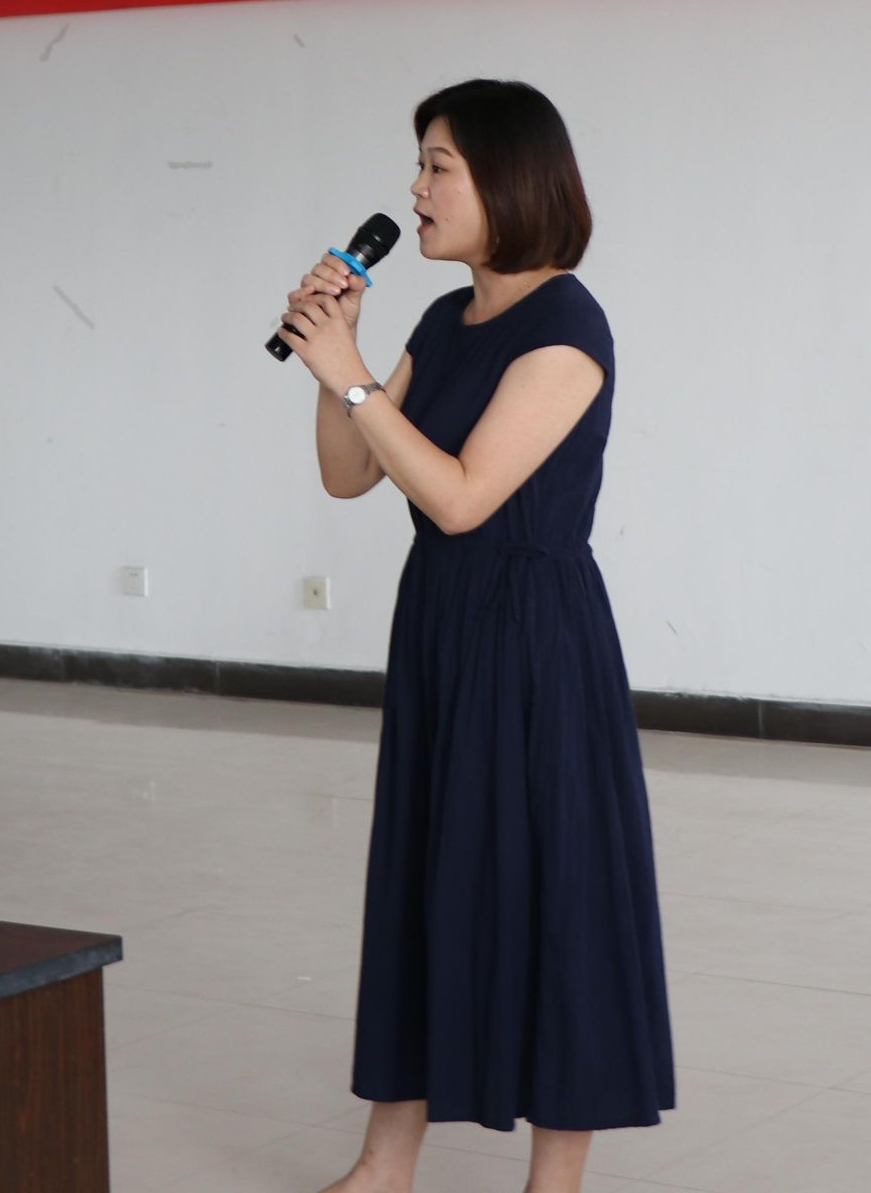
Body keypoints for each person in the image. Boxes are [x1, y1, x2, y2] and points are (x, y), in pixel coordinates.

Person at [275, 79, 673, 1193]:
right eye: (420, 164)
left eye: (438, 166)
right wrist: (339, 357)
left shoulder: (568, 327)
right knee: (425, 880)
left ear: (508, 178)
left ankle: (555, 1183)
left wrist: (352, 376)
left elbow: (461, 497)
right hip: (444, 627)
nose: (416, 189)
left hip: (535, 639)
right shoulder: (444, 322)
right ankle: (382, 1167)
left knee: (555, 891)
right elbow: (349, 472)